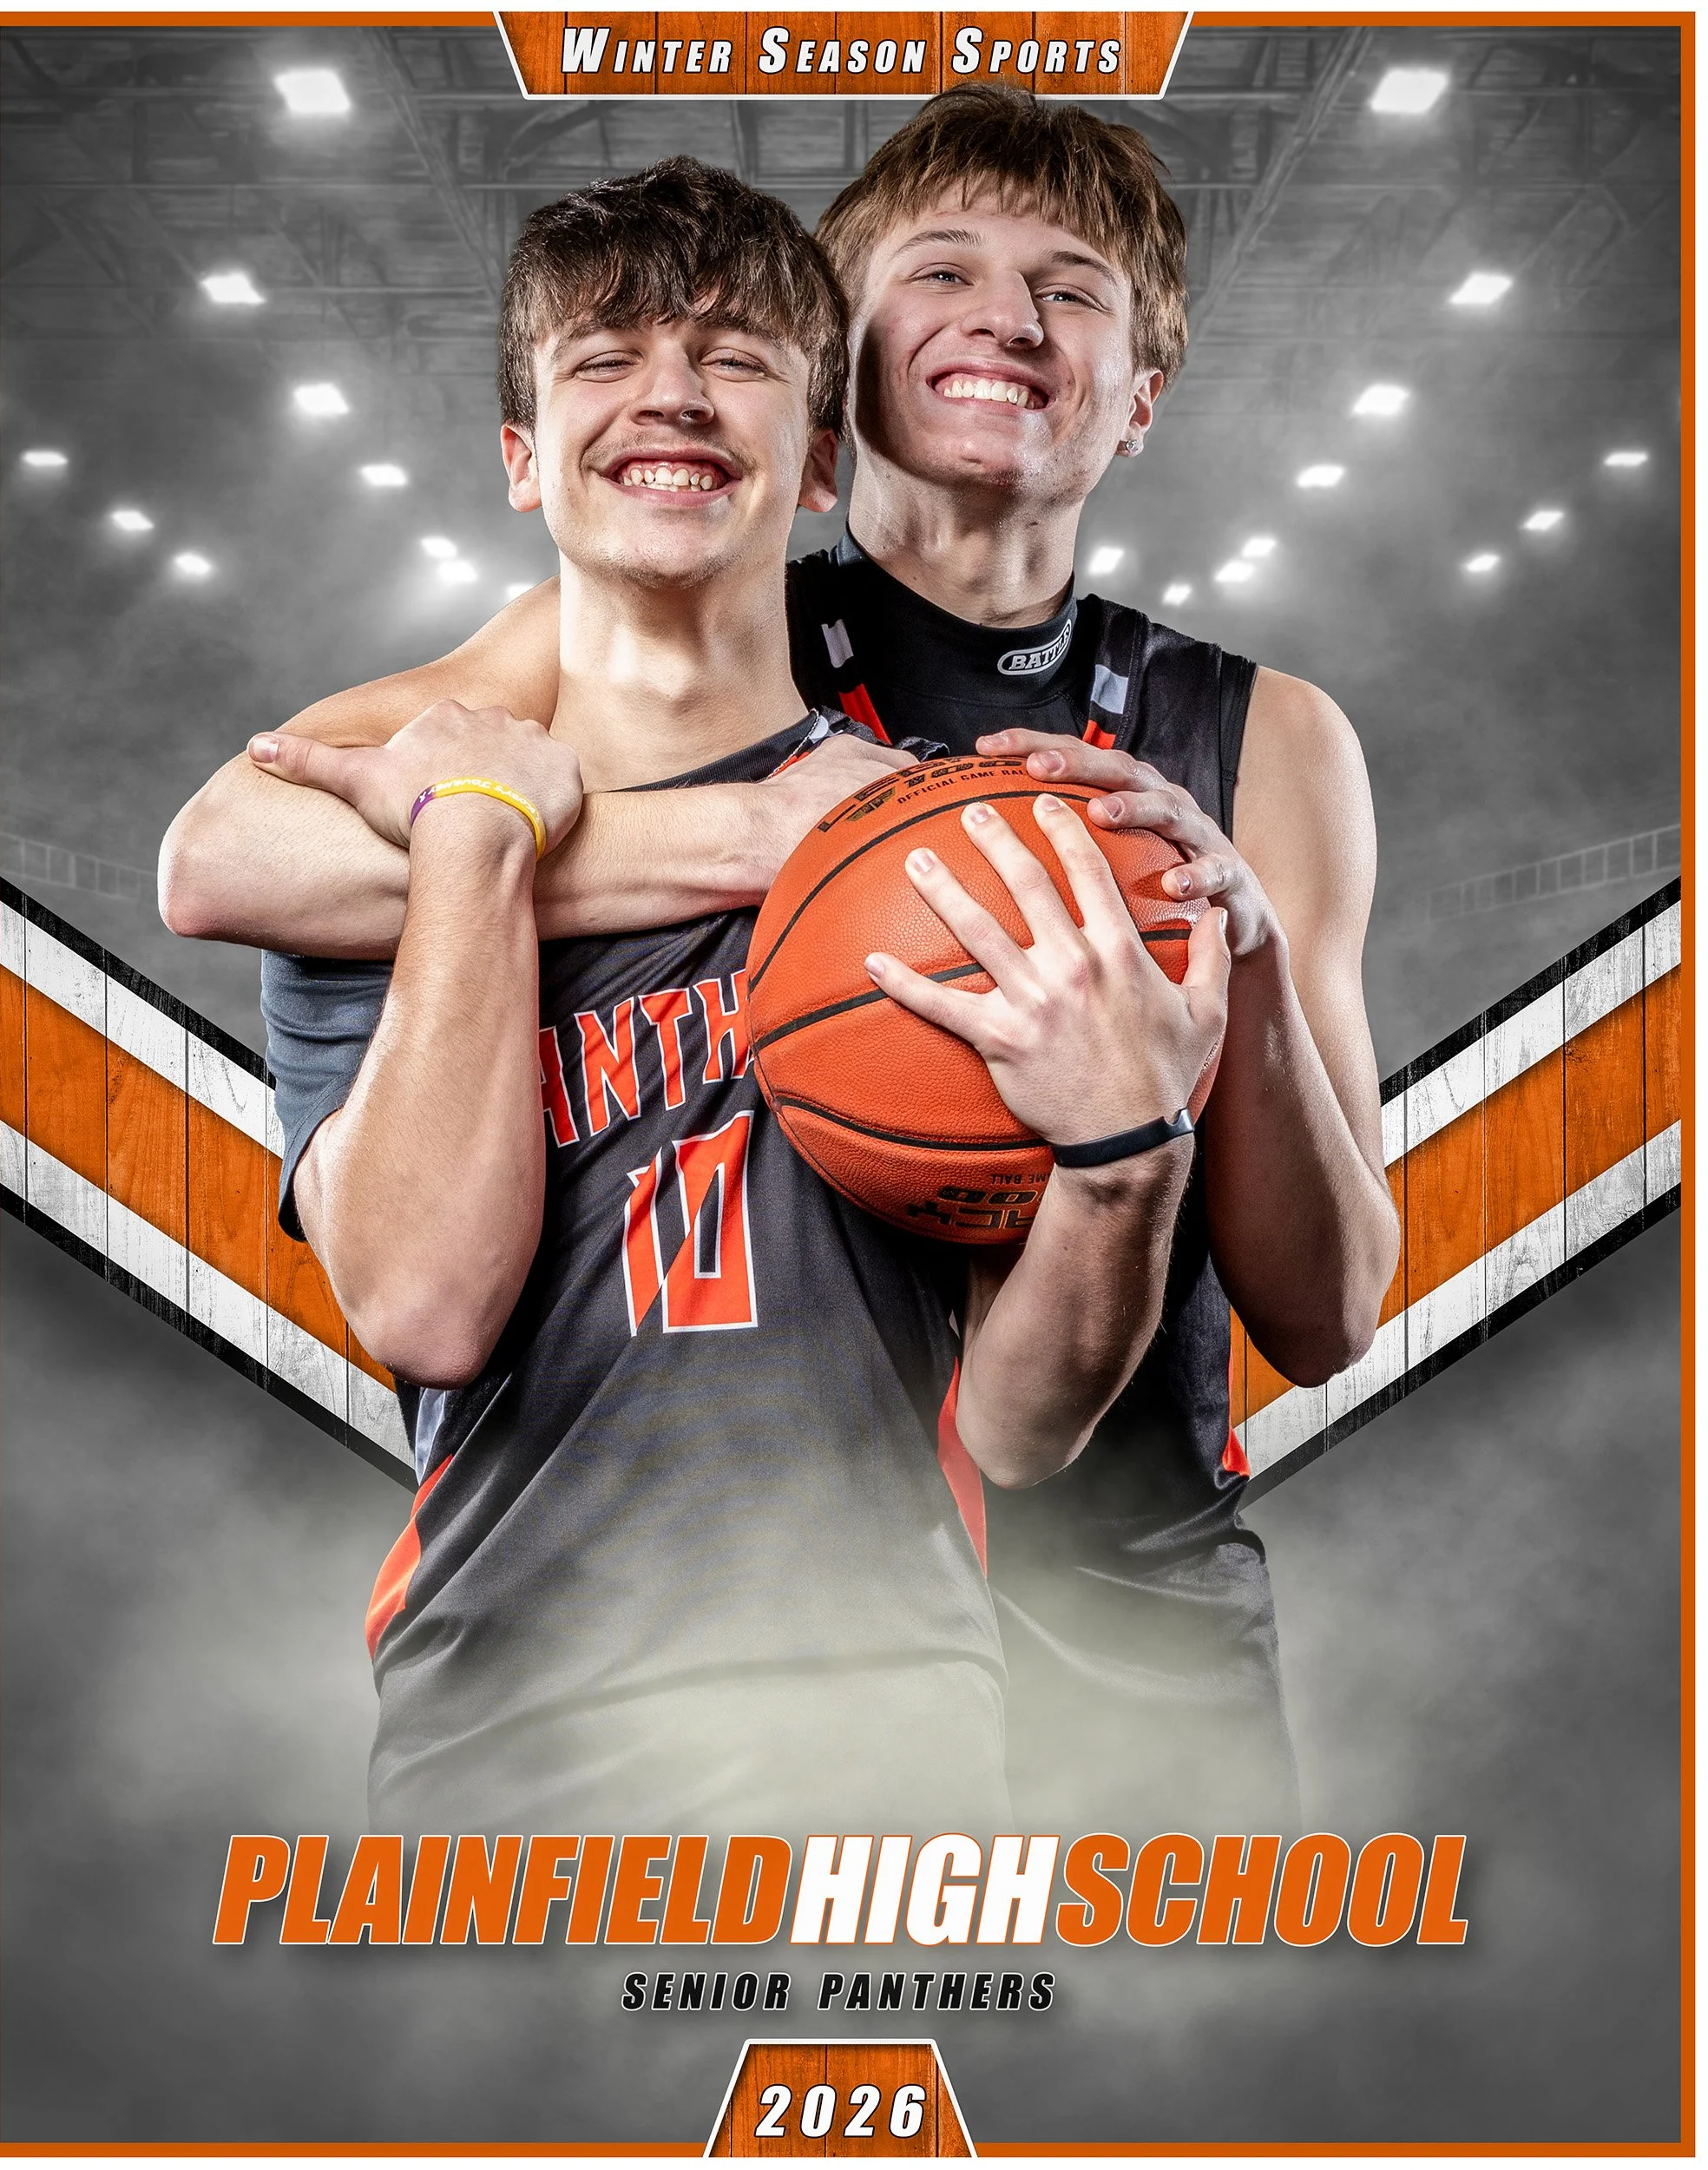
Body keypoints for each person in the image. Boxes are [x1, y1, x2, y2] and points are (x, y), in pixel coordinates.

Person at [162, 90, 1399, 1831]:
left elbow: (1321, 1311)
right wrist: (731, 838)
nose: (1008, 318)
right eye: (945, 269)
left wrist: (1212, 1008)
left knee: (1146, 2073)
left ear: (1143, 394)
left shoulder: (1240, 735)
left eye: (1073, 287)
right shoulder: (688, 589)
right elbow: (228, 850)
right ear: (862, 377)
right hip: (610, 1628)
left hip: (1091, 1556)